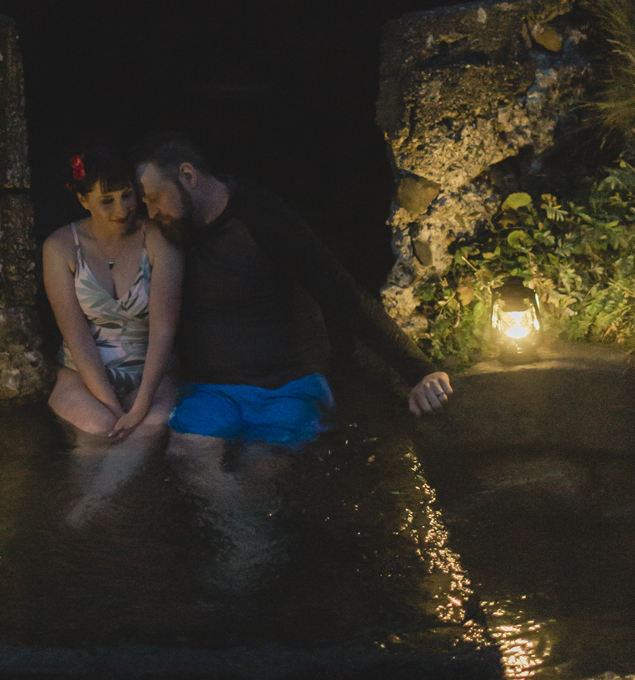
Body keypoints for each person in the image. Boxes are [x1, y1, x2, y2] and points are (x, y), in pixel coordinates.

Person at [134, 132, 451, 476]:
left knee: (261, 466)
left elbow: (340, 292)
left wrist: (419, 370)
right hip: (213, 391)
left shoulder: (259, 214)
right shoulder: (169, 232)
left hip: (283, 387)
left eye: (155, 198)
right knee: (190, 457)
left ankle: (255, 526)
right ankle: (239, 531)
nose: (151, 211)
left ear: (188, 176)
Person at [43, 142, 182, 519]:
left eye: (127, 196)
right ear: (83, 199)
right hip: (82, 372)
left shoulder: (157, 238)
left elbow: (164, 330)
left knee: (149, 428)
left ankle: (95, 511)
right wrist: (110, 403)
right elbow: (76, 335)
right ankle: (86, 514)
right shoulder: (60, 246)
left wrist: (138, 407)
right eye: (107, 201)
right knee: (99, 428)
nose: (122, 210)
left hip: (151, 369)